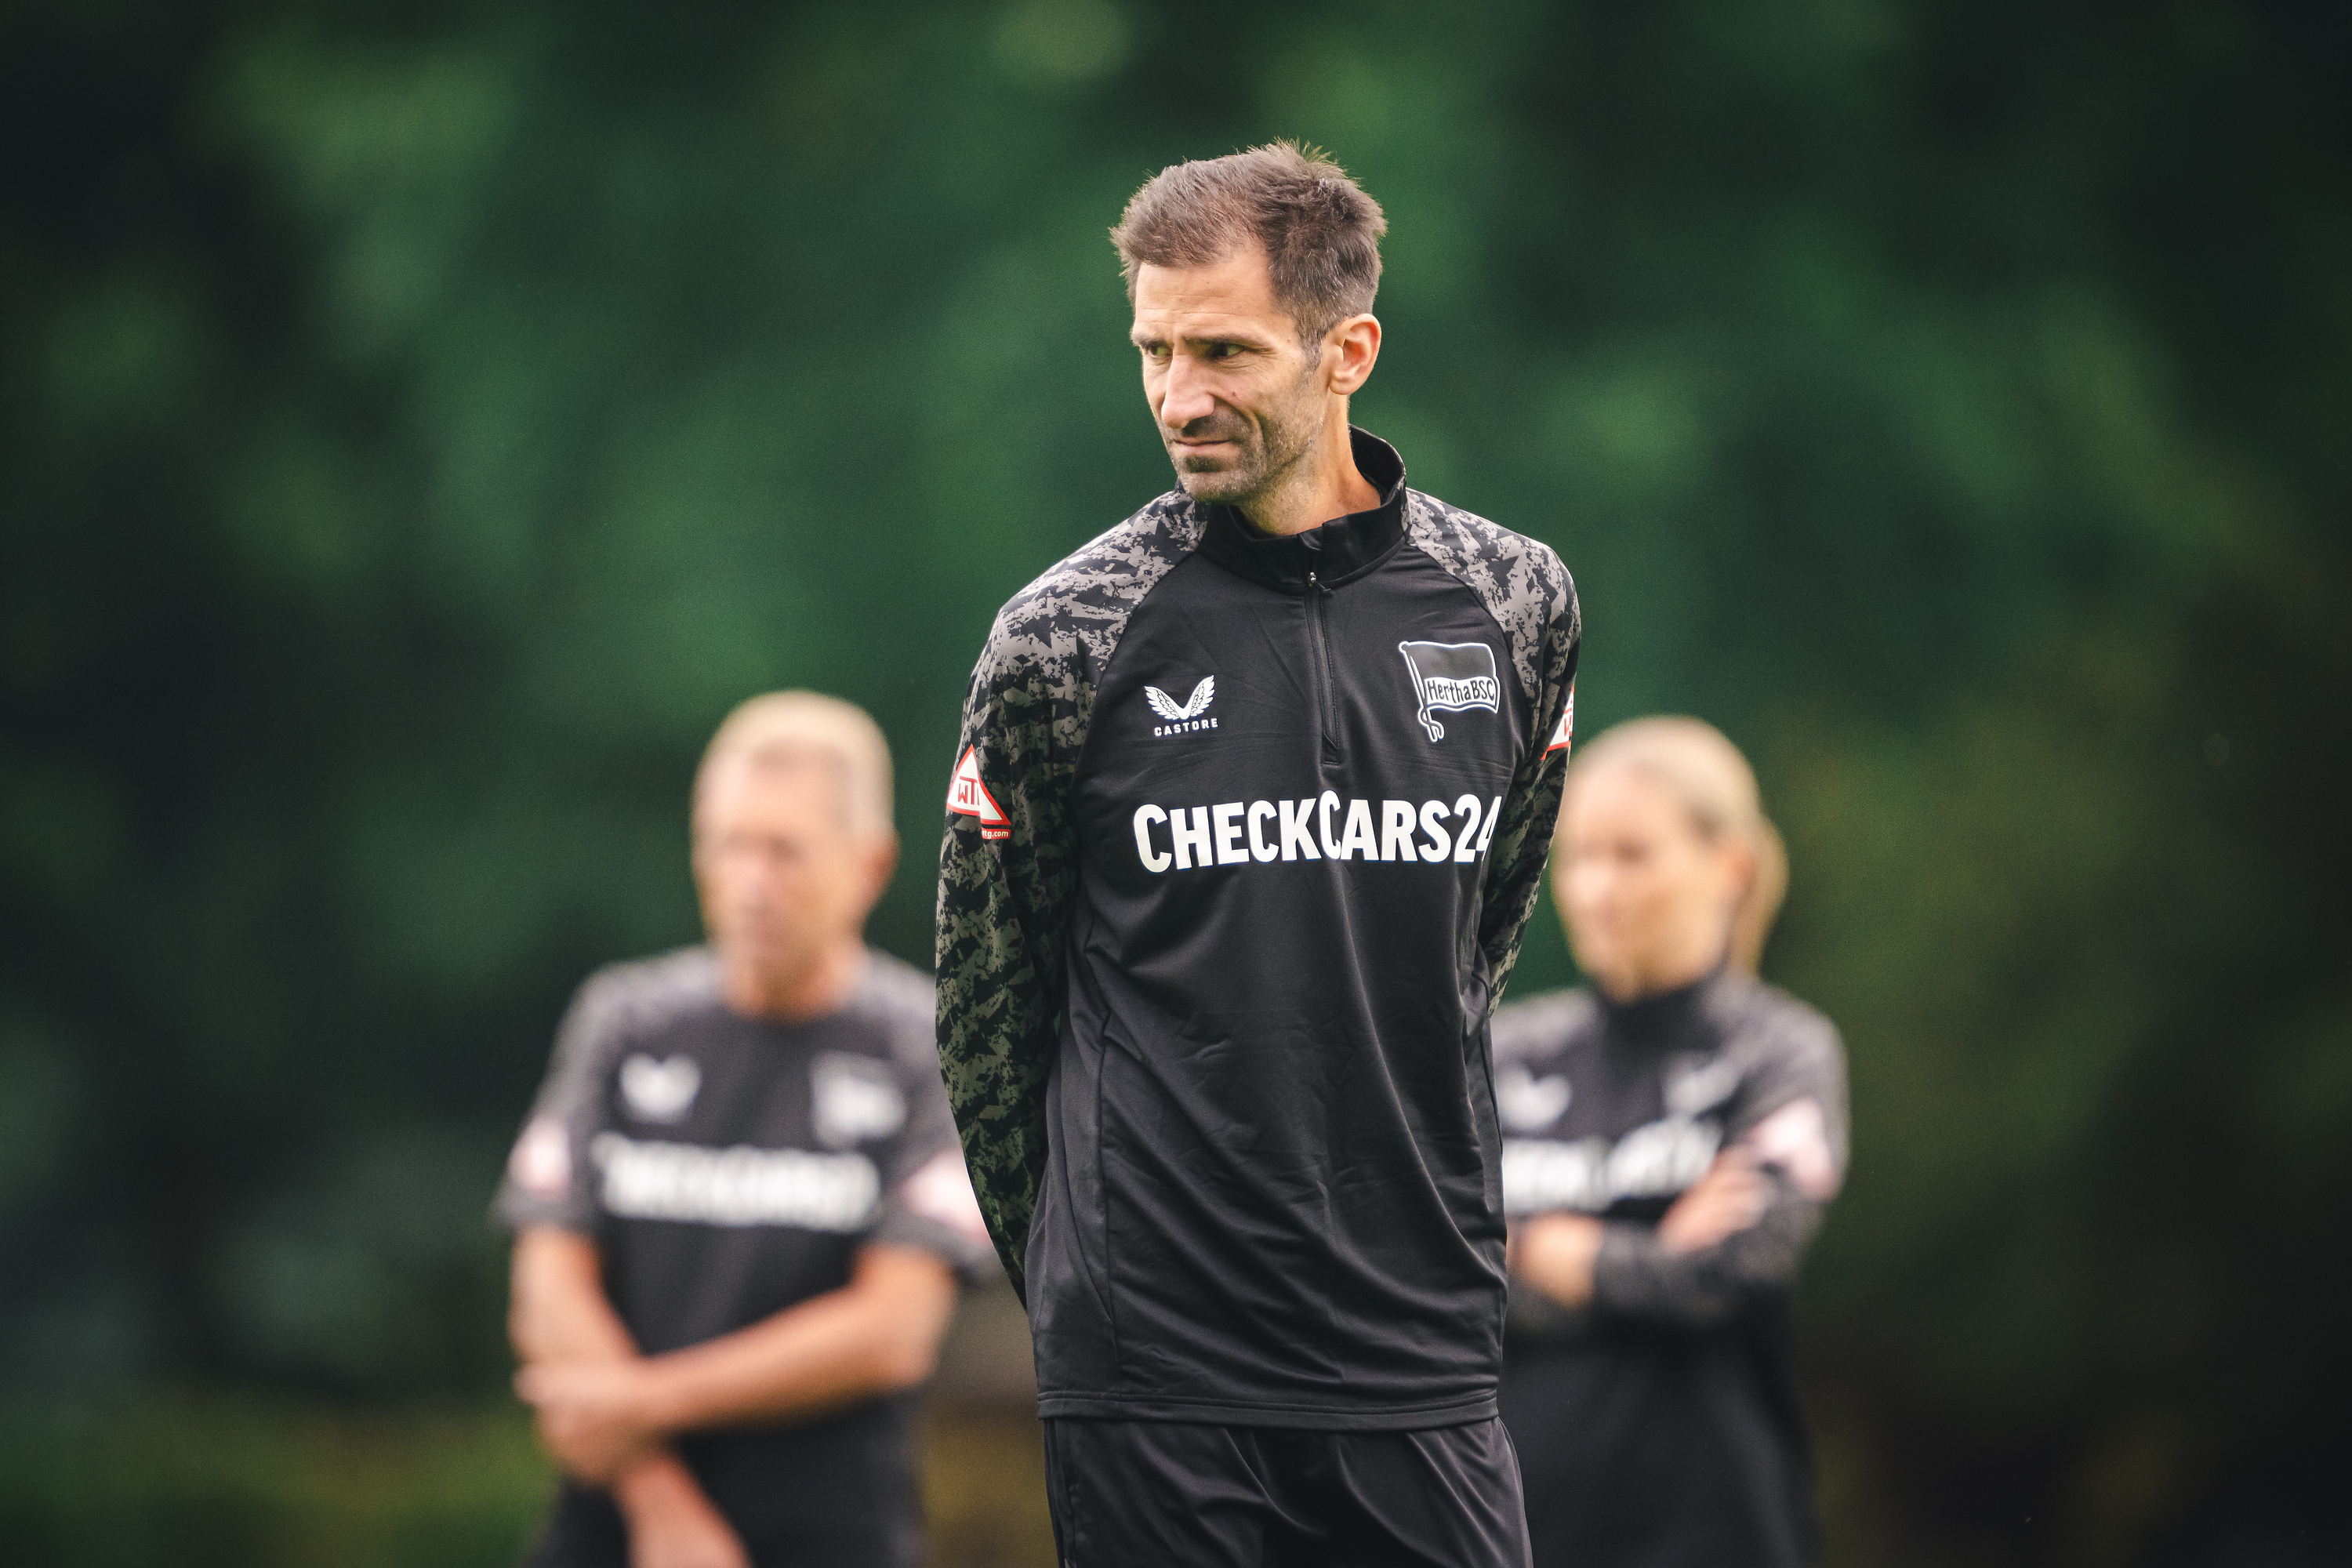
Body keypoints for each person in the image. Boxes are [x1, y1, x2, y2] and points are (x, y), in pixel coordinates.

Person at [936, 143, 1580, 1566]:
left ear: (1347, 350)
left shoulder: (1516, 603)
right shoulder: (1061, 637)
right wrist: (1083, 1289)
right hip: (1155, 1365)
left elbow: (1479, 935)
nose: (1179, 397)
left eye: (1223, 351)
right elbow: (988, 1012)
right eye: (1154, 351)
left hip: (1418, 1340)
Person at [496, 692, 993, 1568]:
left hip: (832, 1532)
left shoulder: (931, 1045)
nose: (750, 883)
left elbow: (891, 1331)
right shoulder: (622, 1020)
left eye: (785, 851)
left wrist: (640, 1401)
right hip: (613, 1527)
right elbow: (545, 1288)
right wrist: (663, 1505)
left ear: (869, 865)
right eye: (727, 842)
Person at [1493, 717, 1849, 1567]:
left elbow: (1734, 1269)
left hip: (1717, 1529)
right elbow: (1428, 1277)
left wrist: (1538, 1252)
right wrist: (1646, 1243)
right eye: (1578, 855)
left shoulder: (1779, 1051)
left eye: (1631, 854)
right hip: (1515, 1530)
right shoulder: (1503, 1051)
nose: (1593, 888)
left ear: (1728, 869)